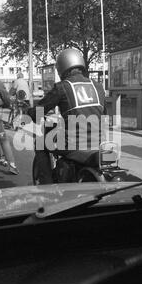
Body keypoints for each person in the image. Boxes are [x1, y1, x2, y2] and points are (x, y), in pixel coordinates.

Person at [28, 48, 107, 184]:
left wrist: (31, 113)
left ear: (62, 68)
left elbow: (41, 109)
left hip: (73, 142)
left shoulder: (62, 87)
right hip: (99, 142)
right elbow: (104, 114)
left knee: (40, 143)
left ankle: (46, 187)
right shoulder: (98, 86)